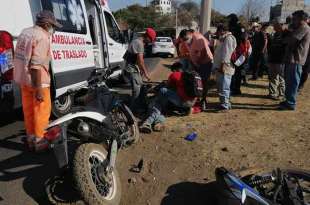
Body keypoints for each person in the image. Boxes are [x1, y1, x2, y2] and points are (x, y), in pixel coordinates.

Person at [13, 10, 62, 152]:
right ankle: (40, 142)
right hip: (38, 82)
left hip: (24, 80)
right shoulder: (42, 37)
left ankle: (31, 138)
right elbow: (36, 66)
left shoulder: (25, 32)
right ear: (46, 24)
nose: (53, 29)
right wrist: (39, 88)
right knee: (41, 112)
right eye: (53, 26)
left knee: (28, 110)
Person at [280, 10, 310, 110]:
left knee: (293, 82)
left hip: (296, 59)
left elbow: (292, 40)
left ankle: (291, 103)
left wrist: (287, 34)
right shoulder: (298, 27)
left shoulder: (304, 27)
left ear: (301, 19)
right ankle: (288, 100)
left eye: (295, 19)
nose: (293, 21)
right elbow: (287, 40)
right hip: (291, 59)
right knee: (289, 81)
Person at [124, 28, 156, 110]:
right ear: (147, 36)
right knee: (137, 90)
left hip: (132, 67)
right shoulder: (140, 43)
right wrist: (146, 73)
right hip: (131, 69)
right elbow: (140, 61)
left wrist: (140, 70)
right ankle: (131, 109)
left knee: (141, 87)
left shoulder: (137, 41)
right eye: (151, 40)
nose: (150, 42)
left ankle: (141, 105)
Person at [186, 29, 213, 110]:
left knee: (204, 81)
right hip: (196, 64)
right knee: (196, 81)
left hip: (205, 63)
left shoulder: (198, 38)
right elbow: (192, 52)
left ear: (190, 34)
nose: (185, 41)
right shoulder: (189, 40)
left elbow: (204, 51)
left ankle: (203, 100)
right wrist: (192, 62)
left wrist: (199, 63)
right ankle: (197, 98)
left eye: (185, 39)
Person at [213, 23, 237, 111]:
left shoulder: (229, 38)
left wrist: (222, 66)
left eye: (218, 31)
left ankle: (225, 105)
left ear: (222, 30)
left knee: (224, 86)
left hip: (225, 66)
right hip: (220, 66)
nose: (217, 33)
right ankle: (225, 103)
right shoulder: (223, 38)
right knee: (221, 86)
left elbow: (227, 54)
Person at [267, 20, 286, 100]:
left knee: (281, 78)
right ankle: (272, 93)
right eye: (274, 26)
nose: (274, 27)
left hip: (281, 60)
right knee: (273, 77)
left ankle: (281, 94)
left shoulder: (285, 34)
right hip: (272, 59)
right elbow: (271, 46)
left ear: (280, 25)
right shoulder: (274, 35)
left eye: (276, 25)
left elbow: (285, 47)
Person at [231, 31, 252, 95]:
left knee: (237, 75)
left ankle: (236, 89)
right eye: (245, 36)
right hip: (240, 61)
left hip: (240, 61)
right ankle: (236, 89)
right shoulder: (244, 42)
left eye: (246, 36)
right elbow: (248, 52)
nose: (245, 37)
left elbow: (248, 51)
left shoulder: (244, 42)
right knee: (238, 75)